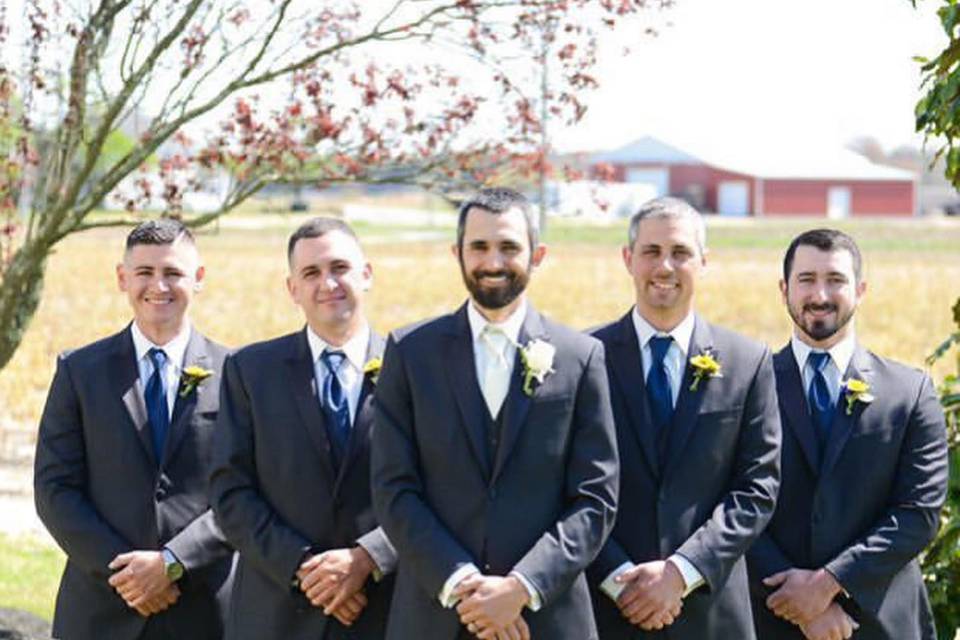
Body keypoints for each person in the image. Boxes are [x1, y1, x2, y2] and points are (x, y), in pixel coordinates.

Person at [371, 187, 619, 640]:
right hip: (436, 615)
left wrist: (521, 588)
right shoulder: (410, 352)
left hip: (546, 619)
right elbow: (393, 488)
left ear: (537, 255)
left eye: (509, 247)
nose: (493, 262)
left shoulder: (581, 357)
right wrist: (463, 583)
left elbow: (595, 499)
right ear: (457, 253)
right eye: (479, 247)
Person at [588, 197, 781, 639]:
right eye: (651, 252)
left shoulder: (747, 363)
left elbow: (757, 488)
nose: (665, 267)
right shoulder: (586, 358)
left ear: (704, 262)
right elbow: (568, 484)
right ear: (627, 259)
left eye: (680, 253)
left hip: (710, 612)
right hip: (605, 610)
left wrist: (681, 572)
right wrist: (619, 578)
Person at [34, 219, 234, 640]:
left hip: (203, 611)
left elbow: (243, 491)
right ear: (122, 279)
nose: (158, 286)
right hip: (101, 610)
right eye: (145, 272)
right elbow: (55, 489)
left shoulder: (237, 375)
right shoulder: (79, 372)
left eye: (173, 273)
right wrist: (127, 573)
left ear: (198, 279)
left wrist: (173, 563)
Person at [746, 228, 948, 640]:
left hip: (880, 623)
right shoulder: (748, 387)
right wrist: (800, 605)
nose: (820, 294)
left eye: (835, 280)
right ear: (784, 288)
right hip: (768, 620)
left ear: (861, 289)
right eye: (806, 280)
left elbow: (919, 513)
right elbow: (729, 500)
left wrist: (828, 584)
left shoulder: (909, 392)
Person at [210, 217, 396, 640]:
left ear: (366, 275)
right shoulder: (250, 371)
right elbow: (230, 491)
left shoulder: (414, 369)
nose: (327, 283)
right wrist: (305, 568)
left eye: (339, 268)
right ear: (293, 289)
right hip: (277, 612)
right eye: (311, 273)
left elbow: (436, 488)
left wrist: (368, 557)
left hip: (383, 610)